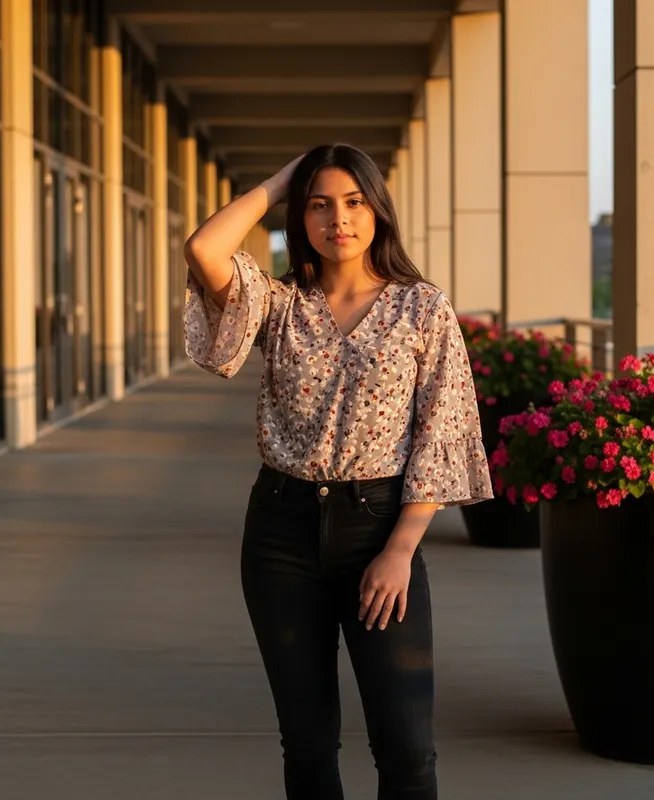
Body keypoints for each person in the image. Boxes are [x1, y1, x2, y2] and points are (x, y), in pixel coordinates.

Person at [183, 144, 493, 800]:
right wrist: (278, 182)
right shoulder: (276, 304)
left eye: (353, 202)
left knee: (407, 747)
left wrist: (401, 549)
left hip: (379, 530)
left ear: (378, 210)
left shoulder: (422, 309)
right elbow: (206, 250)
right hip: (280, 533)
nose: (338, 219)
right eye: (319, 205)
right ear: (301, 219)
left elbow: (442, 433)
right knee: (309, 744)